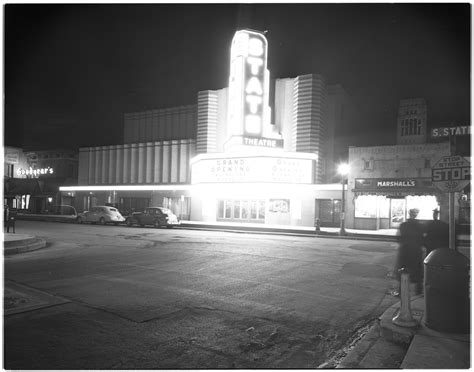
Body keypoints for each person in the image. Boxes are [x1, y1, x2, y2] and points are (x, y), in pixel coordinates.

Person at [393, 208, 424, 296]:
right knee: (417, 271)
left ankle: (401, 291)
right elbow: (423, 239)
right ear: (416, 215)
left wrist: (402, 243)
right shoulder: (420, 226)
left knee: (403, 270)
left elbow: (398, 237)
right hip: (416, 250)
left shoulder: (403, 225)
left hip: (405, 250)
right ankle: (419, 290)